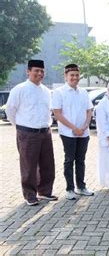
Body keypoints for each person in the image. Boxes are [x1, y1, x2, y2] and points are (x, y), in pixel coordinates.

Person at [6, 59, 58, 206]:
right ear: (28, 71)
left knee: (48, 164)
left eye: (42, 71)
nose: (39, 73)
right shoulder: (20, 89)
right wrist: (19, 126)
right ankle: (30, 194)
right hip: (27, 132)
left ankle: (45, 192)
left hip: (45, 132)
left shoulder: (46, 91)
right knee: (29, 165)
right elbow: (10, 110)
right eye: (36, 70)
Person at [52, 64, 94, 200]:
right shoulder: (59, 92)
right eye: (72, 75)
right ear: (66, 76)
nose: (75, 78)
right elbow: (57, 113)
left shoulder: (83, 92)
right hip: (68, 133)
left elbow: (89, 111)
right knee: (69, 160)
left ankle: (81, 187)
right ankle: (70, 189)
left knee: (81, 160)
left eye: (77, 75)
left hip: (83, 133)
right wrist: (74, 128)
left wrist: (85, 126)